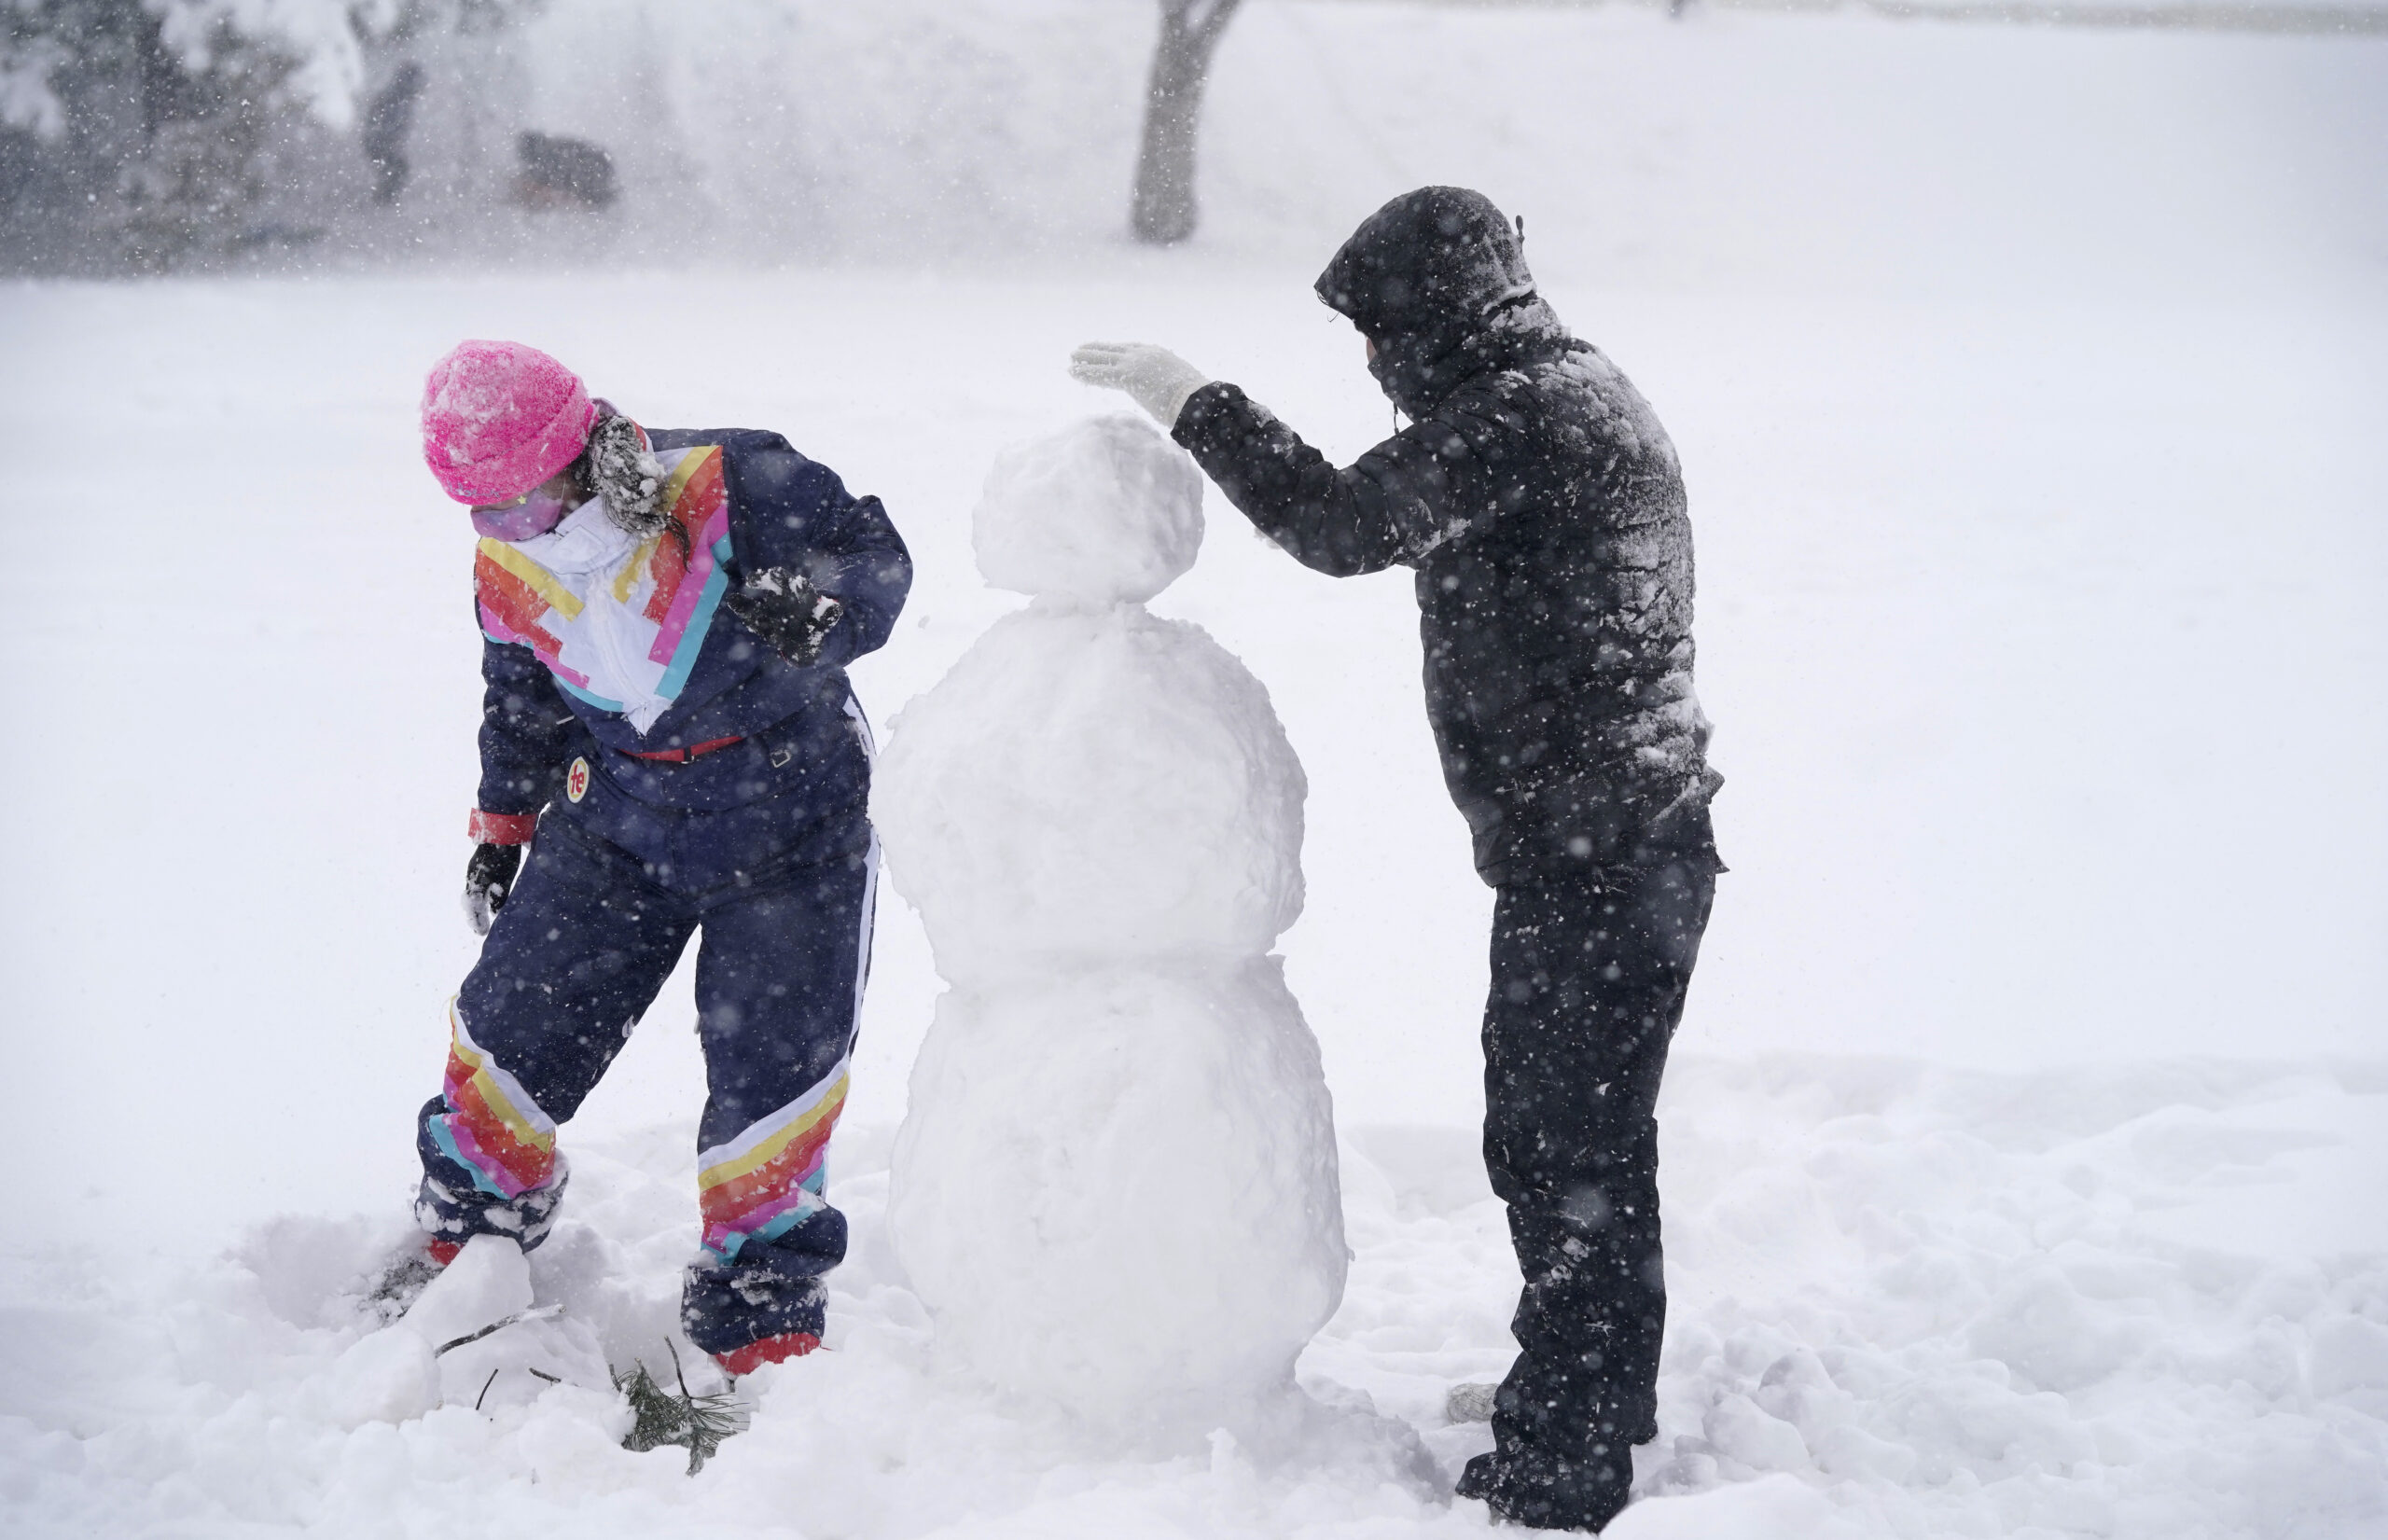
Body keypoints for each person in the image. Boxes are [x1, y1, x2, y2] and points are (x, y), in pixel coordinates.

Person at [1070, 187, 1722, 1532]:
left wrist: (1197, 402)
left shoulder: (1530, 416)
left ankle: (1569, 1460)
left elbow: (1342, 526)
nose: (1371, 361)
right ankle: (1592, 1387)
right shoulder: (1556, 392)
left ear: (1443, 313)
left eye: (1378, 331)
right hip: (1611, 845)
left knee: (1562, 1142)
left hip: (1605, 856)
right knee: (1572, 1136)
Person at [399, 340, 910, 1377]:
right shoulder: (505, 560)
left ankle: (757, 1312)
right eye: (482, 513)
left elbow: (875, 557)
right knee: (513, 1026)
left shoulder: (733, 480)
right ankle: (472, 1240)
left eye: (520, 502)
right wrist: (503, 828)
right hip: (621, 813)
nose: (507, 530)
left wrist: (825, 613)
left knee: (774, 1068)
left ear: (578, 452)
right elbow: (521, 697)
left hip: (791, 814)